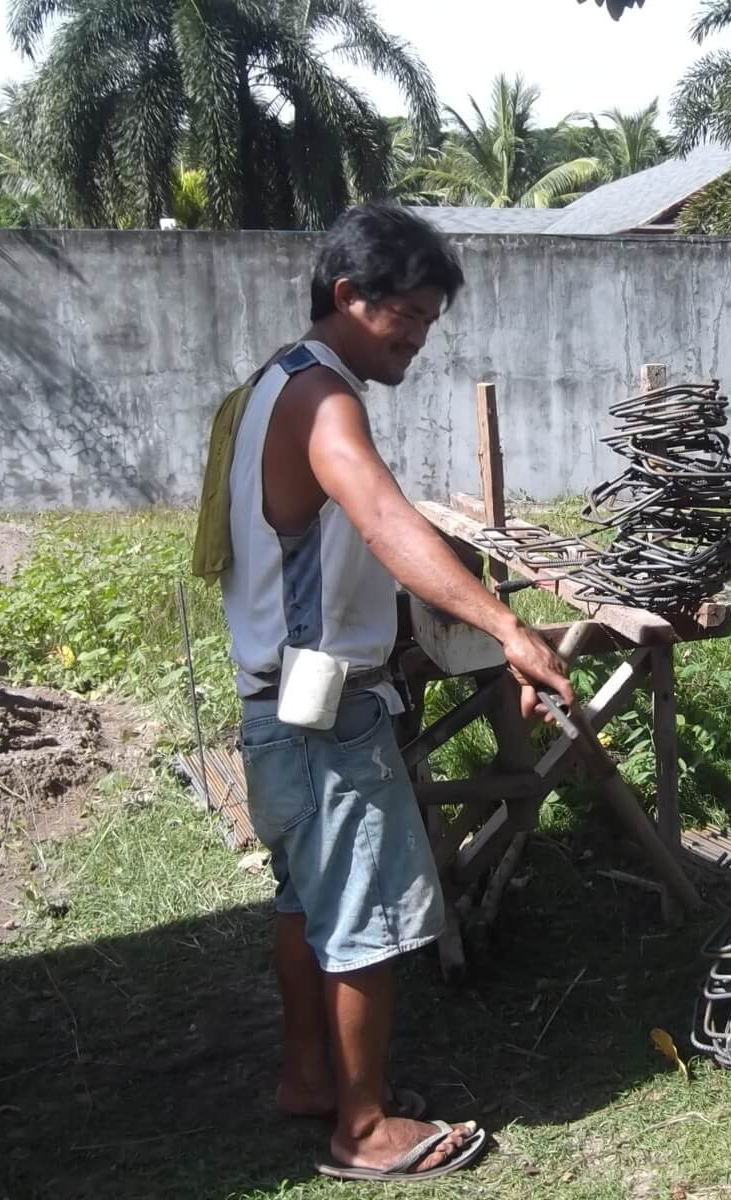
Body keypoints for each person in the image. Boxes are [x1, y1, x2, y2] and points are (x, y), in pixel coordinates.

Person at [215, 203, 574, 1182]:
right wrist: (504, 625)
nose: (417, 337)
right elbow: (380, 516)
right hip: (328, 711)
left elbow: (347, 535)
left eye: (426, 318)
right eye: (405, 316)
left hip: (280, 704)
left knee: (303, 903)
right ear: (348, 297)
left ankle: (310, 1079)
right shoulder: (323, 401)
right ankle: (363, 1129)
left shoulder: (270, 386)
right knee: (362, 915)